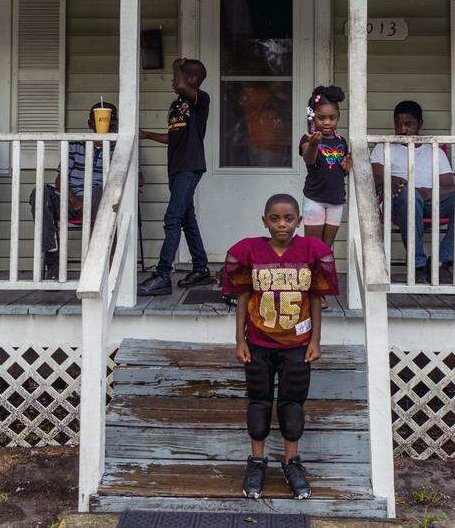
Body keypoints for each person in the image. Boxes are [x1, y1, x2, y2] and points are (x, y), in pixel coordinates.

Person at [222, 193, 339, 500]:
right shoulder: (251, 251)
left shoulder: (311, 250)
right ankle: (257, 461)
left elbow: (315, 296)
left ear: (298, 221)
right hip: (258, 341)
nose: (282, 224)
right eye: (275, 218)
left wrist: (315, 339)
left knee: (292, 404)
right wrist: (239, 339)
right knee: (259, 403)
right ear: (265, 221)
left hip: (297, 344)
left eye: (288, 218)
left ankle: (291, 461)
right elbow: (244, 296)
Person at [369, 100, 455, 278]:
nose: (402, 129)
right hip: (399, 202)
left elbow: (449, 186)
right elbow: (375, 175)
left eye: (408, 124)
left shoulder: (434, 150)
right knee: (409, 195)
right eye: (398, 123)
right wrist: (392, 179)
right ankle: (418, 264)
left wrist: (428, 192)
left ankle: (443, 261)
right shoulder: (384, 147)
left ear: (420, 124)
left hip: (433, 200)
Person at [138, 58, 210, 296]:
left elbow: (180, 85)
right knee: (187, 219)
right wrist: (148, 135)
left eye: (179, 75)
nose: (174, 80)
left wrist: (175, 65)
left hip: (190, 166)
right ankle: (200, 269)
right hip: (176, 168)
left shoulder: (201, 99)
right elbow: (173, 136)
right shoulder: (177, 105)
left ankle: (162, 275)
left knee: (173, 218)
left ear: (192, 79)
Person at [30, 102, 117, 278]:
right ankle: (52, 255)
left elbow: (139, 180)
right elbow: (59, 180)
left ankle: (97, 262)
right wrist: (74, 200)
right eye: (100, 119)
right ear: (90, 123)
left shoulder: (120, 146)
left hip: (101, 205)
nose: (107, 123)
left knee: (100, 192)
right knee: (39, 193)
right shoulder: (76, 145)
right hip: (72, 203)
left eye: (111, 119)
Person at [299, 85, 353, 246]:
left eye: (332, 117)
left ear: (338, 117)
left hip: (336, 200)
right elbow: (309, 159)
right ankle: (312, 272)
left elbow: (338, 170)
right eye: (321, 118)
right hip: (314, 199)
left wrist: (346, 168)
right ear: (312, 117)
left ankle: (324, 272)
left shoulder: (341, 141)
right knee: (313, 246)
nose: (327, 122)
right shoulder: (308, 138)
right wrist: (314, 145)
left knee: (326, 247)